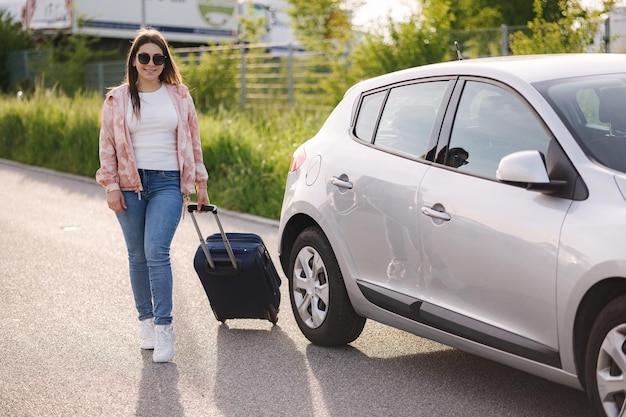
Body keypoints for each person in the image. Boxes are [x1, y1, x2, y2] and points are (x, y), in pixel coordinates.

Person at [96, 27, 210, 363]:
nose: (150, 63)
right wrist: (111, 185)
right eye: (143, 57)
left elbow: (194, 140)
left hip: (168, 183)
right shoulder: (117, 99)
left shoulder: (179, 95)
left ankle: (164, 328)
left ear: (165, 61)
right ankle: (145, 321)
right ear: (134, 60)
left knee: (155, 250)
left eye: (157, 58)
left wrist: (200, 183)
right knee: (137, 256)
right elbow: (107, 145)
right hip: (130, 185)